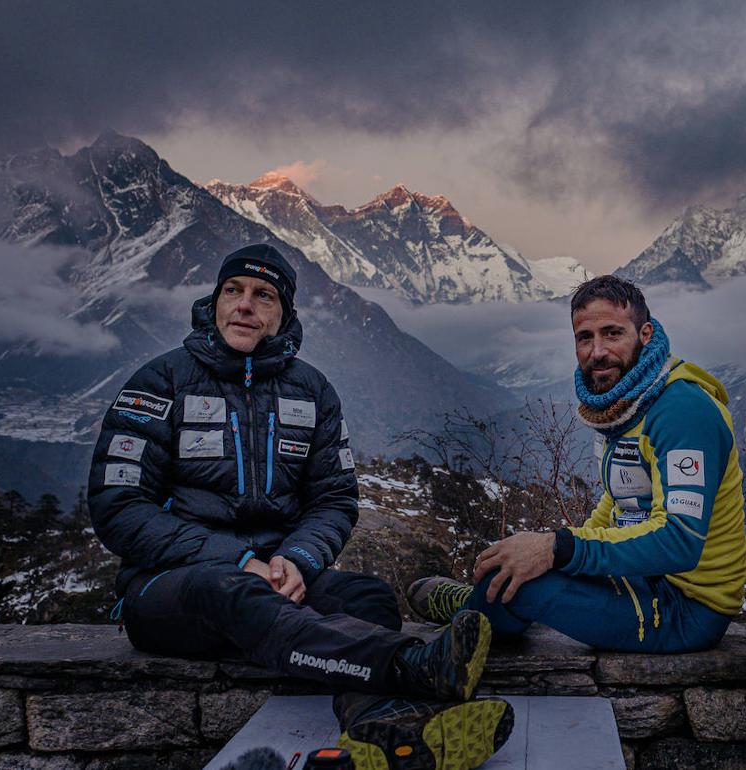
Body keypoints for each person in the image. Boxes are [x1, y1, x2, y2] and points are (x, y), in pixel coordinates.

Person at [88, 244, 511, 770]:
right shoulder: (160, 382)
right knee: (222, 585)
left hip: (278, 581)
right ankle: (410, 667)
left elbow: (334, 498)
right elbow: (118, 503)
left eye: (263, 296)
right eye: (232, 291)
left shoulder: (312, 391)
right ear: (214, 303)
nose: (245, 305)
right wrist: (238, 561)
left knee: (367, 595)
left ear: (283, 314)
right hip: (171, 590)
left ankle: (382, 728)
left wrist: (299, 558)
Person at [408, 275, 746, 653]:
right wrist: (554, 554)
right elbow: (622, 498)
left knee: (526, 582)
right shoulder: (628, 402)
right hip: (646, 579)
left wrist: (560, 548)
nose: (597, 351)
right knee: (511, 563)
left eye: (612, 334)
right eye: (585, 337)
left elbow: (680, 542)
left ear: (646, 334)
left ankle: (440, 650)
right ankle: (479, 606)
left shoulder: (683, 411)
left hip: (687, 608)